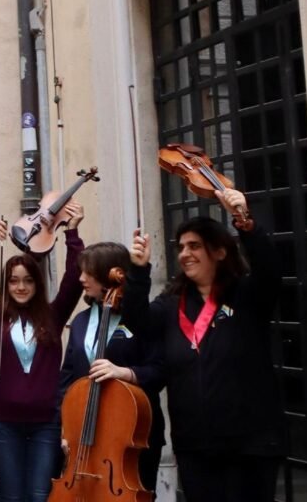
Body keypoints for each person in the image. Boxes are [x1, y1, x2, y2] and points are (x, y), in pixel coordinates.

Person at [123, 189, 284, 502]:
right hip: (195, 445)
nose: (184, 254)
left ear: (220, 252)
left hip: (250, 443)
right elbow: (136, 321)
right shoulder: (171, 304)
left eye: (194, 246)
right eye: (181, 247)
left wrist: (245, 223)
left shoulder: (247, 296)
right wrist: (139, 271)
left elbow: (269, 271)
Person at [0, 203, 85, 502]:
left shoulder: (53, 315)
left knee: (38, 496)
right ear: (6, 284)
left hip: (45, 424)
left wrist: (72, 233)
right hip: (3, 424)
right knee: (10, 497)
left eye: (28, 280)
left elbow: (73, 282)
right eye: (13, 280)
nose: (20, 287)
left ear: (37, 283)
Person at [56, 241, 164, 497]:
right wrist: (64, 429)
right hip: (85, 435)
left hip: (131, 434)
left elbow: (159, 370)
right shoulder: (81, 321)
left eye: (88, 272)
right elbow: (68, 378)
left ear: (108, 273)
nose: (81, 278)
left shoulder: (139, 319)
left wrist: (124, 373)